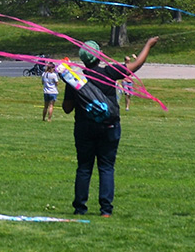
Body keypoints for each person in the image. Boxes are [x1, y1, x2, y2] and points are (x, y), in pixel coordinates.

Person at [61, 35, 159, 217]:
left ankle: (80, 208)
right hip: (109, 128)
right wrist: (148, 45)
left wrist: (68, 83)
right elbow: (135, 65)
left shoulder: (75, 80)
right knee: (106, 167)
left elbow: (67, 109)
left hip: (84, 129)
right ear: (99, 56)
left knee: (84, 167)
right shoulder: (109, 73)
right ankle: (106, 210)